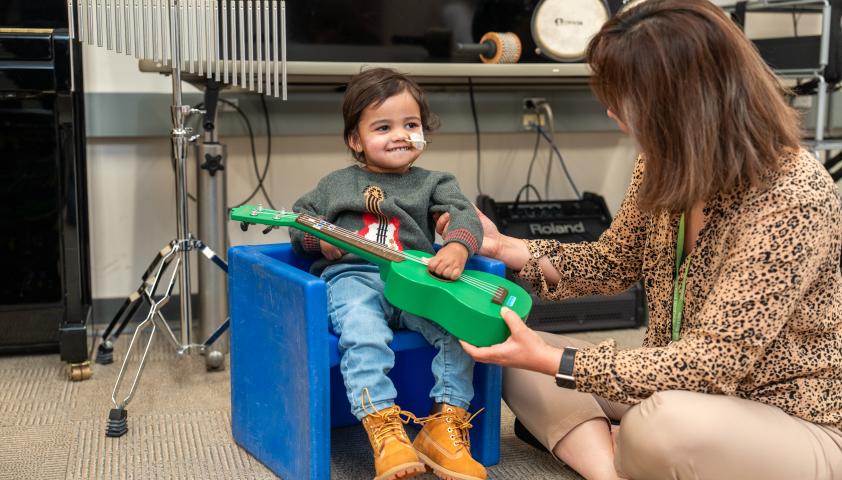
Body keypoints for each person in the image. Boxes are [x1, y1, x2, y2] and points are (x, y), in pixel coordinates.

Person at [435, 1, 842, 479]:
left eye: (625, 98)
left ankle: (621, 444)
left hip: (793, 416)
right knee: (505, 348)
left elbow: (714, 363)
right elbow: (612, 263)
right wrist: (504, 247)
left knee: (661, 426)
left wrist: (555, 360)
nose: (610, 111)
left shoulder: (794, 194)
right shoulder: (661, 164)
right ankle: (616, 465)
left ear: (683, 105)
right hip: (673, 385)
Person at [290, 67, 488, 480]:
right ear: (355, 140)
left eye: (410, 124)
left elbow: (465, 216)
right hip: (353, 278)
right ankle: (386, 431)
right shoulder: (335, 184)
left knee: (459, 327)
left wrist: (456, 244)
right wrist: (322, 242)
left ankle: (443, 424)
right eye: (383, 127)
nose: (400, 134)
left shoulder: (435, 182)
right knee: (363, 332)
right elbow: (299, 221)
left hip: (416, 281)